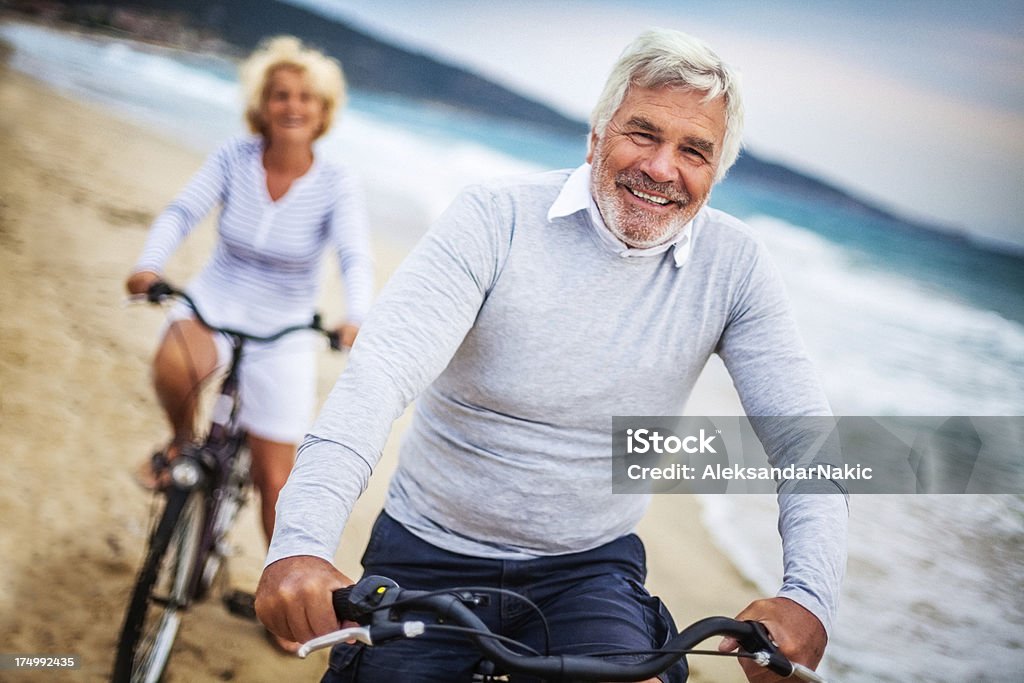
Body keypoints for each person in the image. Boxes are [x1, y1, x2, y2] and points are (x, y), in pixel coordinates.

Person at [256, 28, 847, 682]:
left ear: (716, 172)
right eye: (642, 133)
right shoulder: (494, 218)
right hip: (428, 550)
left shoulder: (735, 267)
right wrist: (302, 543)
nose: (661, 167)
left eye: (694, 150)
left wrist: (807, 597)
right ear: (596, 133)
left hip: (590, 567)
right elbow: (378, 377)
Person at [125, 36, 374, 651]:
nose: (292, 106)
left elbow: (352, 254)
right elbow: (182, 212)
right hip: (216, 301)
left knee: (276, 483)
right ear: (262, 104)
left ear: (323, 111)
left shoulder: (337, 181)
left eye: (306, 98)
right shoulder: (233, 156)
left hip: (284, 329)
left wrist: (356, 315)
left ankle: (291, 613)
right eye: (280, 95)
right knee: (175, 365)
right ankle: (182, 444)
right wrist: (150, 264)